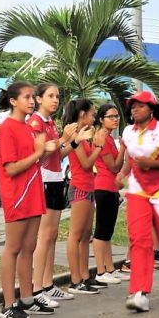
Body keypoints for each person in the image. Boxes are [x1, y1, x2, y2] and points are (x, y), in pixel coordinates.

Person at [116, 91, 159, 312]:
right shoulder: (128, 132)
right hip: (138, 190)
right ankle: (139, 292)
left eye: (140, 106)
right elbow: (130, 158)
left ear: (151, 109)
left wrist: (151, 164)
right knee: (139, 239)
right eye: (132, 106)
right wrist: (123, 174)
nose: (135, 109)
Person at [0, 81, 57, 318]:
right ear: (13, 101)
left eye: (33, 97)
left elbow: (35, 160)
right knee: (13, 248)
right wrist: (38, 152)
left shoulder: (27, 128)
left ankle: (27, 299)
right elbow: (11, 169)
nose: (32, 101)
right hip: (17, 195)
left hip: (33, 194)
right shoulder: (7, 128)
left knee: (29, 247)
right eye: (27, 97)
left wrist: (47, 148)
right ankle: (8, 304)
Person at [28, 83, 80, 305]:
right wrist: (64, 139)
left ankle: (48, 284)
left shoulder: (51, 123)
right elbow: (41, 152)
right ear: (38, 99)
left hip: (57, 179)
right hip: (44, 181)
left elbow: (57, 156)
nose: (55, 100)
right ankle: (37, 288)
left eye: (57, 96)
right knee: (44, 236)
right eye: (50, 96)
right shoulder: (36, 122)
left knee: (52, 235)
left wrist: (75, 141)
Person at [62, 98, 108, 294]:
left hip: (89, 186)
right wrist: (98, 147)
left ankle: (84, 276)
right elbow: (86, 164)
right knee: (76, 234)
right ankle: (75, 279)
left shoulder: (84, 135)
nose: (94, 117)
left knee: (85, 235)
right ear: (82, 114)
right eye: (92, 113)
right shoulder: (76, 136)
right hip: (80, 186)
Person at [91, 104, 128, 284]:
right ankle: (100, 270)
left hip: (111, 188)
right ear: (101, 119)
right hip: (103, 186)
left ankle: (110, 268)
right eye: (111, 116)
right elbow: (114, 166)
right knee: (101, 231)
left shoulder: (108, 138)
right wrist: (122, 149)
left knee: (108, 231)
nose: (115, 119)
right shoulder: (102, 138)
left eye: (116, 116)